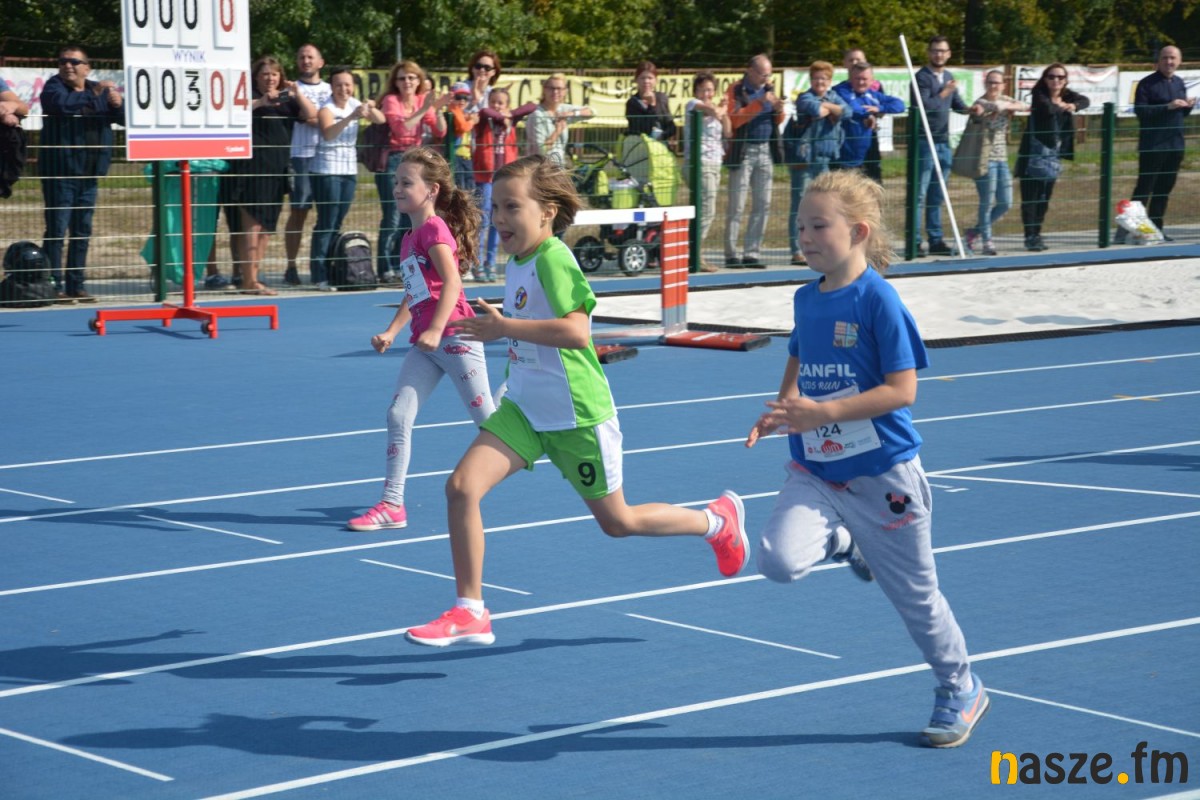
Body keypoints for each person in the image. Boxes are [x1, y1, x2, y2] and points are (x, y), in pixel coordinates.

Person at [404, 154, 749, 647]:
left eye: (512, 207)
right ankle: (471, 610)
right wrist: (507, 348)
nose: (500, 218)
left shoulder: (553, 258)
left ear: (547, 212)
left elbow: (577, 332)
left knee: (618, 522)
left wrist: (504, 327)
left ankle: (716, 522)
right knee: (461, 488)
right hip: (525, 410)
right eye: (496, 207)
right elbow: (529, 334)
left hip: (576, 415)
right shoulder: (517, 263)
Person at [747, 168, 988, 749]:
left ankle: (961, 687)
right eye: (799, 226)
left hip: (884, 475)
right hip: (816, 468)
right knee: (778, 561)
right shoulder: (806, 297)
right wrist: (784, 407)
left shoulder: (879, 300)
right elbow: (799, 354)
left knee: (915, 599)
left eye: (818, 226)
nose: (804, 237)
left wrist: (825, 412)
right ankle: (845, 541)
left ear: (857, 232)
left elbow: (903, 391)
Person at [347, 147, 493, 532]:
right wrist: (392, 331)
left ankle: (534, 423)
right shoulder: (409, 237)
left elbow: (452, 282)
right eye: (396, 181)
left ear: (432, 190)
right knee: (398, 415)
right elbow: (416, 291)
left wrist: (436, 328)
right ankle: (392, 504)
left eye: (406, 183)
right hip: (426, 345)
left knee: (490, 424)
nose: (397, 188)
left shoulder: (434, 230)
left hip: (456, 337)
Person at [221, 55, 317, 295]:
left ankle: (254, 276)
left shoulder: (285, 99)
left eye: (274, 74)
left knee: (266, 227)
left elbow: (311, 114)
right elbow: (232, 112)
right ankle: (248, 279)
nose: (270, 78)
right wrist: (261, 102)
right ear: (256, 77)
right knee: (252, 226)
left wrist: (297, 93)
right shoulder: (247, 96)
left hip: (277, 171)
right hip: (250, 170)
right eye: (265, 74)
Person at [37, 46, 124, 302]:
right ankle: (54, 284)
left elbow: (124, 118)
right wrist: (95, 94)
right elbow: (62, 106)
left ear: (87, 67)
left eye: (74, 61)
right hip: (60, 174)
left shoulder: (99, 90)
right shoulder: (54, 88)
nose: (68, 65)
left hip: (89, 174)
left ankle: (76, 285)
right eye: (63, 61)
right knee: (57, 230)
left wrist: (118, 104)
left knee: (82, 231)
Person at [375, 60, 450, 282]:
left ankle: (403, 266)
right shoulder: (391, 100)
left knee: (409, 217)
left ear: (419, 80)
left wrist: (437, 109)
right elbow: (401, 129)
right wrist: (425, 108)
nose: (407, 82)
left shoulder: (420, 100)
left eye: (411, 77)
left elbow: (440, 131)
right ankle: (385, 267)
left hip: (415, 162)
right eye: (402, 78)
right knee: (392, 216)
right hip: (394, 159)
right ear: (395, 82)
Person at [309, 68, 385, 289]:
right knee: (327, 221)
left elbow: (380, 120)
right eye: (339, 85)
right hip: (327, 170)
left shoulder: (354, 103)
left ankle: (332, 268)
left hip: (349, 170)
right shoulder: (327, 108)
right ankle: (319, 274)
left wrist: (370, 107)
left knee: (338, 221)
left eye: (348, 85)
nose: (344, 89)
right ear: (332, 87)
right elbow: (328, 133)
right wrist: (351, 117)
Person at [1124, 46, 1195, 242]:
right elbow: (1141, 112)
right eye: (1165, 58)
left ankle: (1156, 229)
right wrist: (1167, 106)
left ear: (1179, 61)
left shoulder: (1179, 82)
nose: (1169, 62)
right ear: (1158, 60)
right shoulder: (1147, 83)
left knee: (1164, 190)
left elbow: (1180, 115)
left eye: (1173, 58)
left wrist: (1187, 107)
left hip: (1175, 145)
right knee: (1144, 189)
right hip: (1153, 145)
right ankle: (1131, 230)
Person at [1015, 63, 1089, 252]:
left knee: (1044, 197)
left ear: (1065, 80)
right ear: (1045, 79)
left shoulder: (1068, 95)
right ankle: (1030, 236)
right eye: (1051, 77)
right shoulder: (1038, 94)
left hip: (1053, 155)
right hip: (1034, 154)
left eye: (1060, 77)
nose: (1056, 80)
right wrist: (1062, 106)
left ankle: (1037, 232)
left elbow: (1084, 100)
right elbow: (1047, 109)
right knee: (1030, 197)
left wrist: (1073, 105)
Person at [724, 54, 784, 270]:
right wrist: (759, 103)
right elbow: (735, 119)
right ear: (750, 71)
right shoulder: (737, 89)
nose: (766, 78)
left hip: (765, 149)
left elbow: (778, 120)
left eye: (769, 74)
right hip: (743, 151)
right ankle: (731, 254)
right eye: (762, 74)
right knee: (737, 204)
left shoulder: (770, 89)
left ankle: (752, 252)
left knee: (763, 203)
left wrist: (778, 109)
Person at [785, 60, 847, 265]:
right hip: (804, 159)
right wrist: (833, 109)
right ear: (811, 79)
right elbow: (816, 111)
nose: (820, 82)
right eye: (816, 78)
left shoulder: (833, 96)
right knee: (800, 204)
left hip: (825, 158)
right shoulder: (804, 97)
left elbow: (848, 111)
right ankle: (797, 250)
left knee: (824, 206)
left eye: (824, 78)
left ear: (830, 81)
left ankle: (821, 246)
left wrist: (828, 106)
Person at [472, 86, 536, 283]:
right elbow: (485, 111)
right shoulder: (485, 118)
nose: (496, 106)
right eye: (493, 102)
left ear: (508, 105)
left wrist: (510, 115)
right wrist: (501, 116)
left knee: (500, 220)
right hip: (486, 177)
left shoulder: (511, 119)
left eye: (501, 103)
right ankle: (477, 263)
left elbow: (531, 106)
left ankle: (490, 263)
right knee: (484, 220)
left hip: (504, 178)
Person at [282, 44, 332, 286]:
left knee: (328, 215)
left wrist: (316, 117)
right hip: (300, 156)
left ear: (320, 62)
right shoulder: (290, 89)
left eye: (310, 57)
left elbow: (321, 118)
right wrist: (320, 118)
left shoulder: (331, 89)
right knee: (299, 212)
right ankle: (291, 266)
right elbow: (311, 118)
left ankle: (323, 266)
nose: (306, 60)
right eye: (301, 57)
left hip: (328, 157)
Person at [914, 36, 969, 256]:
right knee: (920, 194)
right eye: (935, 50)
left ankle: (936, 239)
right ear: (929, 53)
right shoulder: (921, 77)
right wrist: (945, 92)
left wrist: (972, 110)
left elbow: (957, 104)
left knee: (938, 194)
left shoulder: (948, 76)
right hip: (924, 142)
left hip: (943, 142)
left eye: (943, 51)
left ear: (949, 54)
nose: (939, 54)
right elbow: (925, 105)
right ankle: (915, 241)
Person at [963, 71, 1026, 256]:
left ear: (1003, 85)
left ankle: (975, 231)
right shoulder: (981, 102)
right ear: (985, 84)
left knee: (1006, 202)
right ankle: (987, 241)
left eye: (997, 83)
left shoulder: (1005, 100)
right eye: (990, 82)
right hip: (984, 159)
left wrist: (1005, 105)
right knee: (987, 201)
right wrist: (997, 107)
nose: (993, 86)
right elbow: (980, 110)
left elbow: (1024, 105)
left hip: (1002, 158)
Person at [683, 71, 730, 272]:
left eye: (710, 90)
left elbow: (728, 130)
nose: (707, 94)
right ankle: (693, 254)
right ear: (696, 91)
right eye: (703, 90)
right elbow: (712, 111)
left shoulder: (717, 108)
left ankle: (693, 252)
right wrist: (722, 108)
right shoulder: (693, 104)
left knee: (706, 210)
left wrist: (724, 111)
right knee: (707, 210)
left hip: (714, 162)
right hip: (699, 163)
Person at [833, 63, 905, 183]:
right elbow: (852, 108)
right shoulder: (841, 91)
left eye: (864, 79)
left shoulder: (872, 95)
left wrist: (879, 108)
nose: (861, 82)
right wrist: (868, 114)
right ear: (850, 78)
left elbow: (900, 105)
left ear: (872, 80)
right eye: (857, 78)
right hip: (841, 158)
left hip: (864, 159)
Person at [526, 74, 594, 166]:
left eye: (559, 89)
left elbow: (592, 112)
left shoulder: (562, 109)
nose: (555, 92)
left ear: (565, 91)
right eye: (551, 88)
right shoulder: (537, 114)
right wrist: (557, 131)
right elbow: (541, 150)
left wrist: (571, 114)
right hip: (539, 167)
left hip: (558, 166)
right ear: (544, 90)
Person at [625, 60, 677, 145]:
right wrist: (652, 106)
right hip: (641, 147)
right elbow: (643, 129)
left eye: (650, 78)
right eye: (642, 78)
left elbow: (671, 127)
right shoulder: (632, 103)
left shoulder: (662, 98)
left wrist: (662, 137)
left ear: (656, 80)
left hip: (661, 147)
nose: (646, 81)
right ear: (636, 80)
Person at [447, 81, 478, 191]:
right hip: (457, 153)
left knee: (469, 183)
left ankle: (468, 200)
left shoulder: (460, 112)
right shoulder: (454, 110)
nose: (462, 101)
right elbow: (462, 127)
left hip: (464, 154)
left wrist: (468, 118)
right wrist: (472, 121)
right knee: (460, 184)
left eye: (466, 98)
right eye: (458, 97)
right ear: (451, 97)